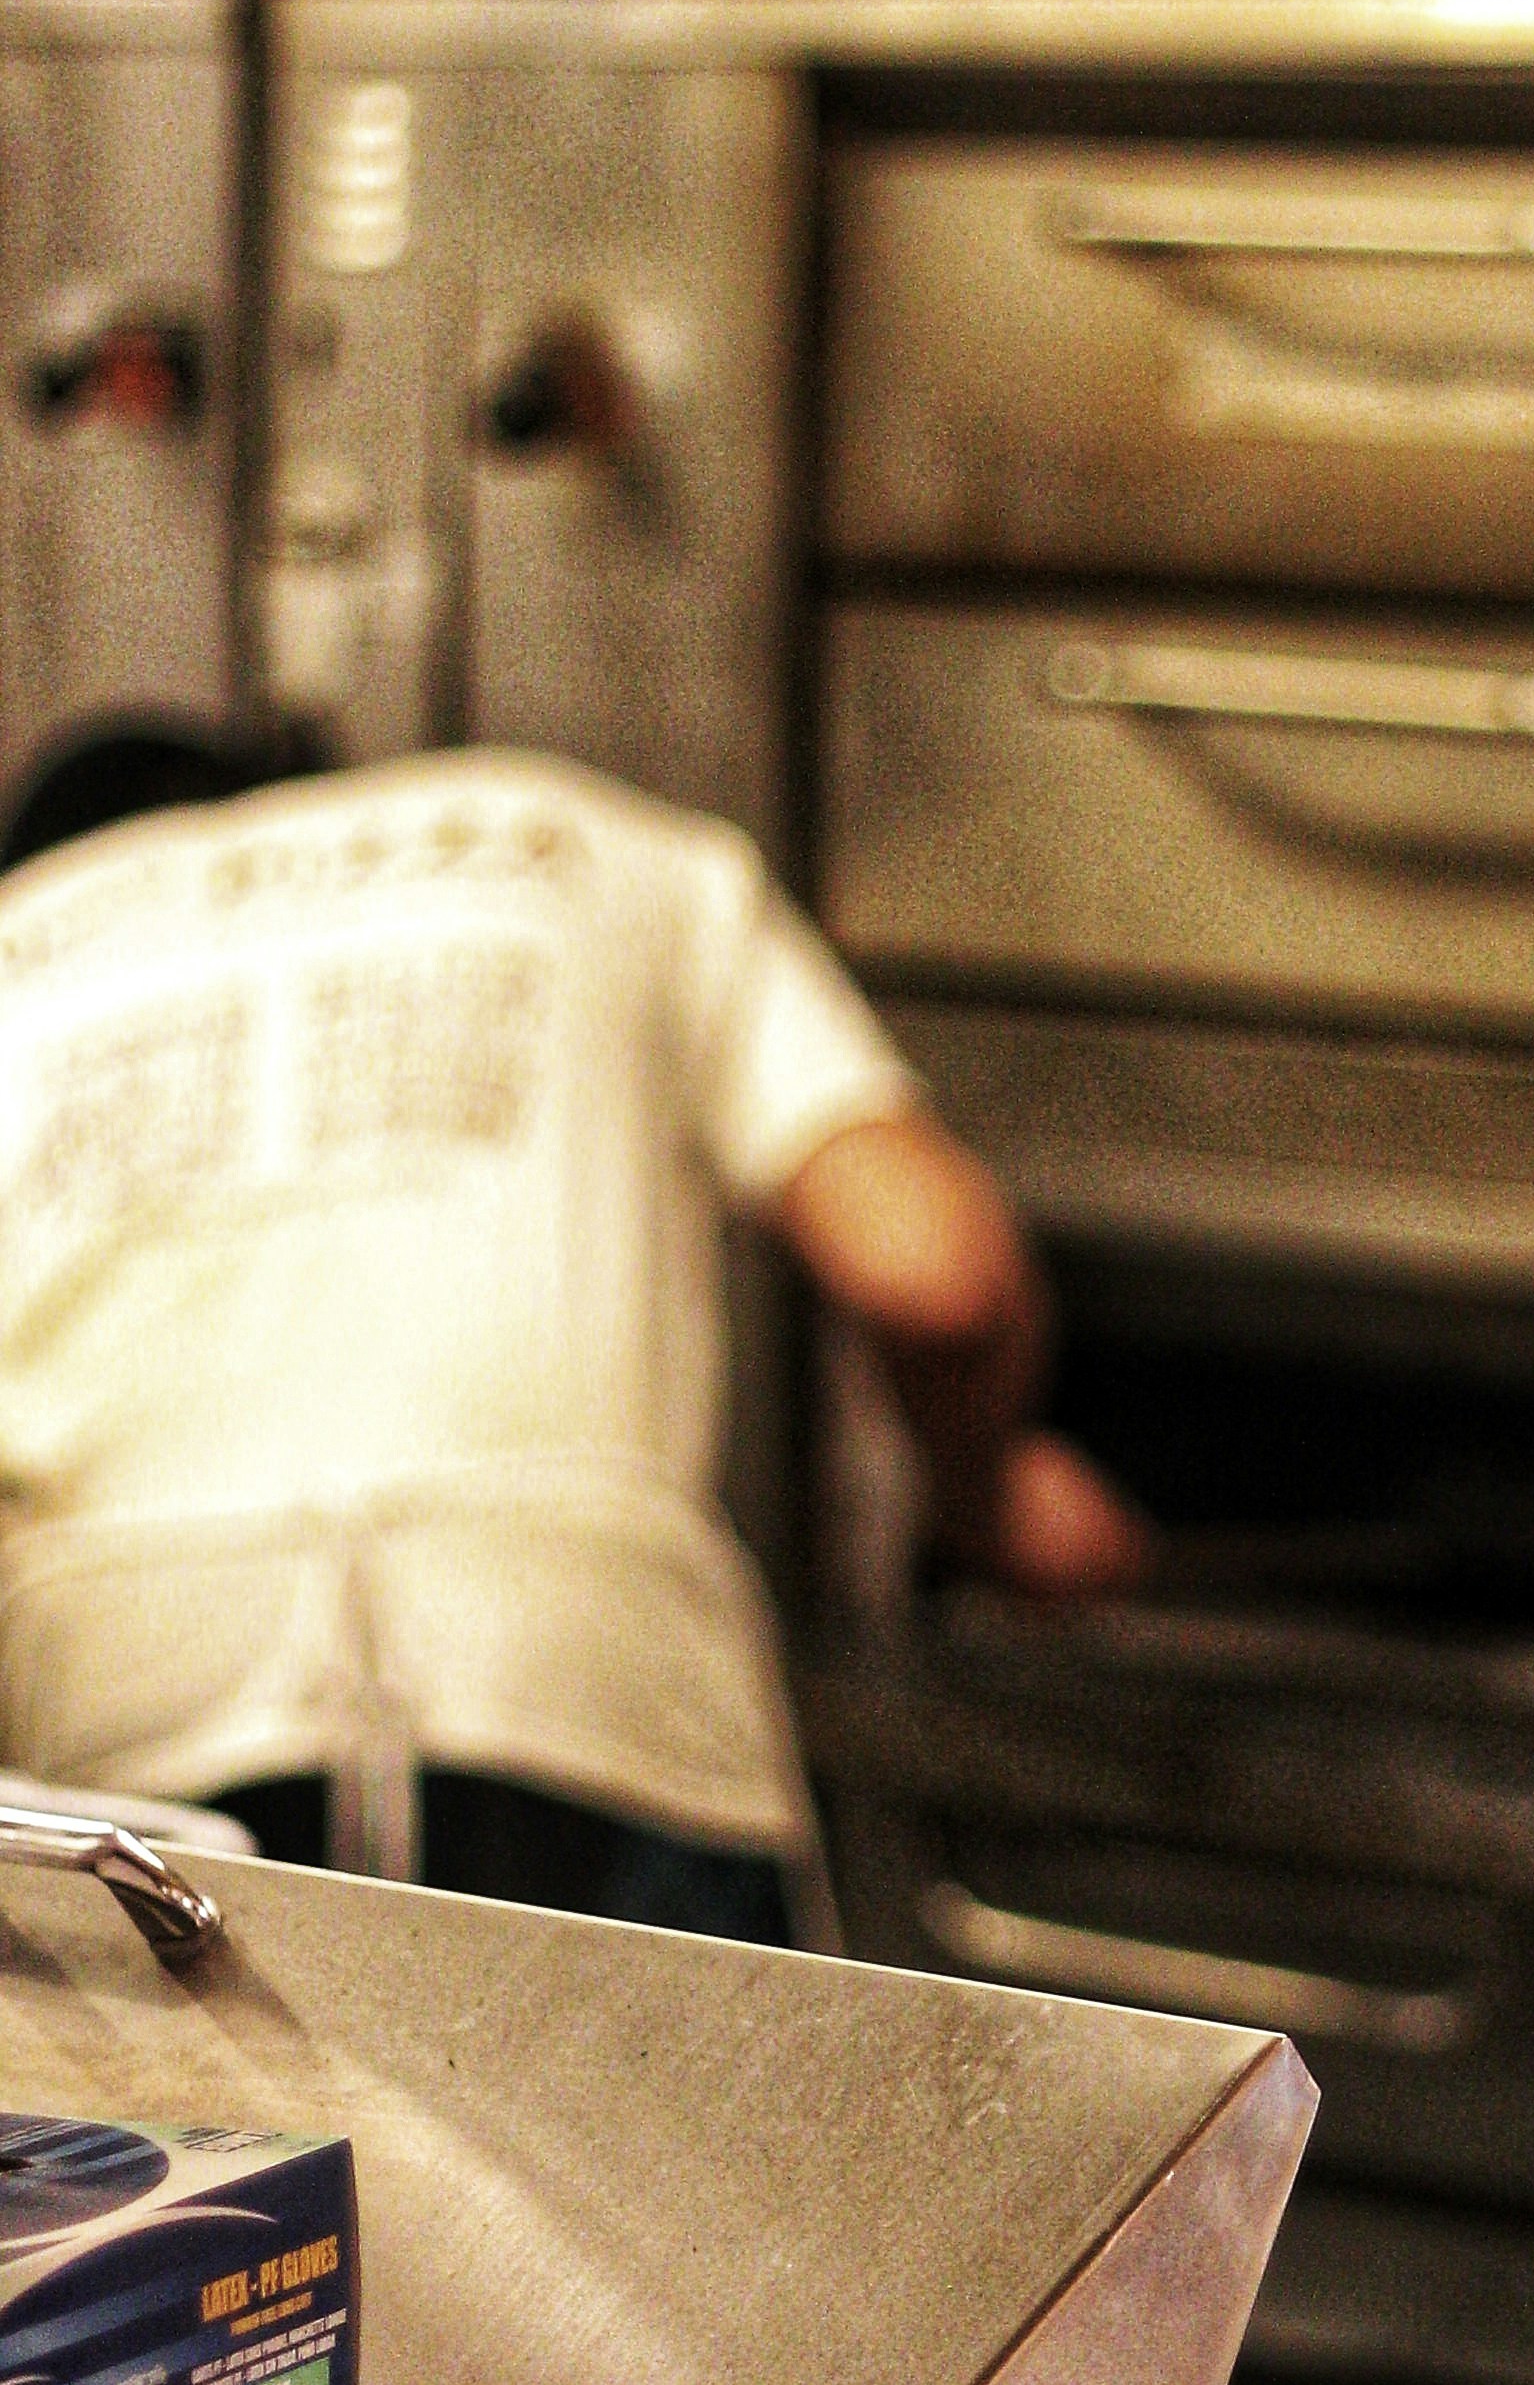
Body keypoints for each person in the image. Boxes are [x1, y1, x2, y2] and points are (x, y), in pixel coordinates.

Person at [0, 719, 1146, 1940]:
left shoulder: (16, 948)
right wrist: (987, 1499)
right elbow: (934, 1273)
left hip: (129, 1751)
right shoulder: (597, 849)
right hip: (595, 1695)